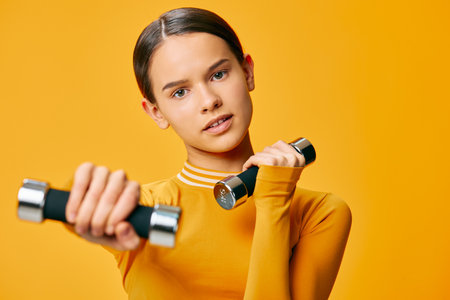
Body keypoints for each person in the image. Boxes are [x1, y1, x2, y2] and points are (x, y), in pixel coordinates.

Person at [63, 7, 352, 300]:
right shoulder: (147, 210)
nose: (209, 101)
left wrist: (274, 201)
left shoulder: (319, 214)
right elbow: (79, 208)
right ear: (156, 112)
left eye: (218, 74)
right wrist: (83, 207)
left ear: (247, 72)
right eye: (180, 92)